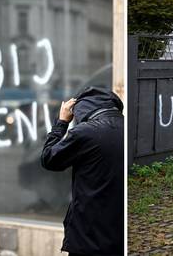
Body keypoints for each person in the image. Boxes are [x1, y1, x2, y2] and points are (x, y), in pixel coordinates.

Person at [41, 87, 124, 256]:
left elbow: (49, 159)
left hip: (89, 235)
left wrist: (62, 122)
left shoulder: (85, 132)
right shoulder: (125, 127)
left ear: (81, 110)